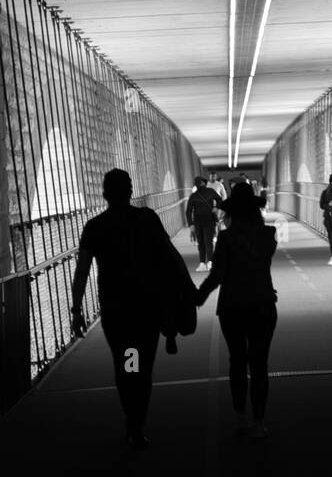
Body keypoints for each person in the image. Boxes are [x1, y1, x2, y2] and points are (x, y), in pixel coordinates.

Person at [70, 168, 194, 449]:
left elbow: (82, 271)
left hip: (116, 311)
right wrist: (181, 295)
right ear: (130, 191)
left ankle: (132, 419)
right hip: (146, 309)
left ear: (104, 193)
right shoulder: (146, 218)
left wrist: (77, 310)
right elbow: (168, 257)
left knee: (126, 363)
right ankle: (137, 422)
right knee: (143, 366)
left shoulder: (95, 227)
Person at [195, 181, 278, 439]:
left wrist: (199, 295)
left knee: (238, 361)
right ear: (254, 209)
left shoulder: (227, 238)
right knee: (260, 363)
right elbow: (262, 259)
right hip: (263, 304)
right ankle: (259, 422)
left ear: (232, 211)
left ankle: (241, 416)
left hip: (232, 307)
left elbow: (218, 274)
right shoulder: (268, 235)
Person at [186, 175, 221, 272]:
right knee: (200, 242)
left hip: (210, 221)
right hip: (198, 222)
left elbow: (219, 199)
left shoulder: (210, 191)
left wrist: (216, 207)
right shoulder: (193, 196)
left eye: (201, 182)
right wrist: (191, 224)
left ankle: (210, 262)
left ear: (204, 183)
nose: (200, 184)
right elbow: (188, 211)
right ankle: (202, 263)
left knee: (207, 241)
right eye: (198, 183)